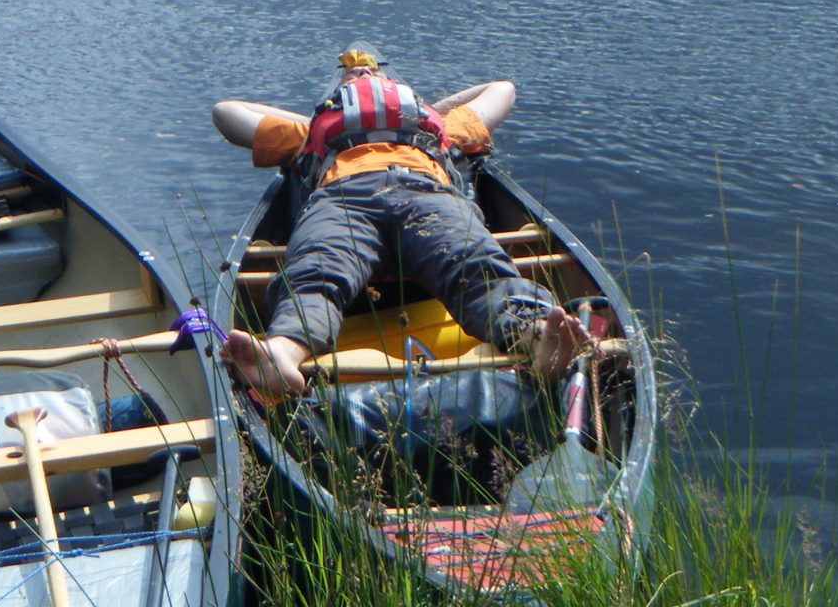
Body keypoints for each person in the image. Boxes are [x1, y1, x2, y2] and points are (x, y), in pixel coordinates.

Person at [213, 47, 587, 397]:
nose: (362, 71)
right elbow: (226, 113)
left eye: (373, 71)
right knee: (317, 268)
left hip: (425, 194)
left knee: (475, 264)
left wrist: (425, 112)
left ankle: (536, 336)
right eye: (351, 74)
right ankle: (282, 354)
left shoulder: (441, 128)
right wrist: (325, 119)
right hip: (344, 198)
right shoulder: (310, 135)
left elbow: (502, 89)